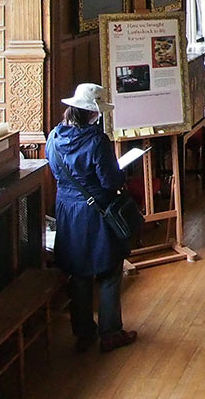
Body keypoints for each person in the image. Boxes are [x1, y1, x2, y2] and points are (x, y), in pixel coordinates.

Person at [45, 83, 138, 354]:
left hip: (67, 210)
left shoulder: (54, 137)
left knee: (79, 271)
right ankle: (110, 333)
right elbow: (109, 180)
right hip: (96, 211)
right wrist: (122, 175)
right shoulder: (97, 141)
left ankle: (84, 332)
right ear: (93, 114)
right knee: (109, 270)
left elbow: (56, 171)